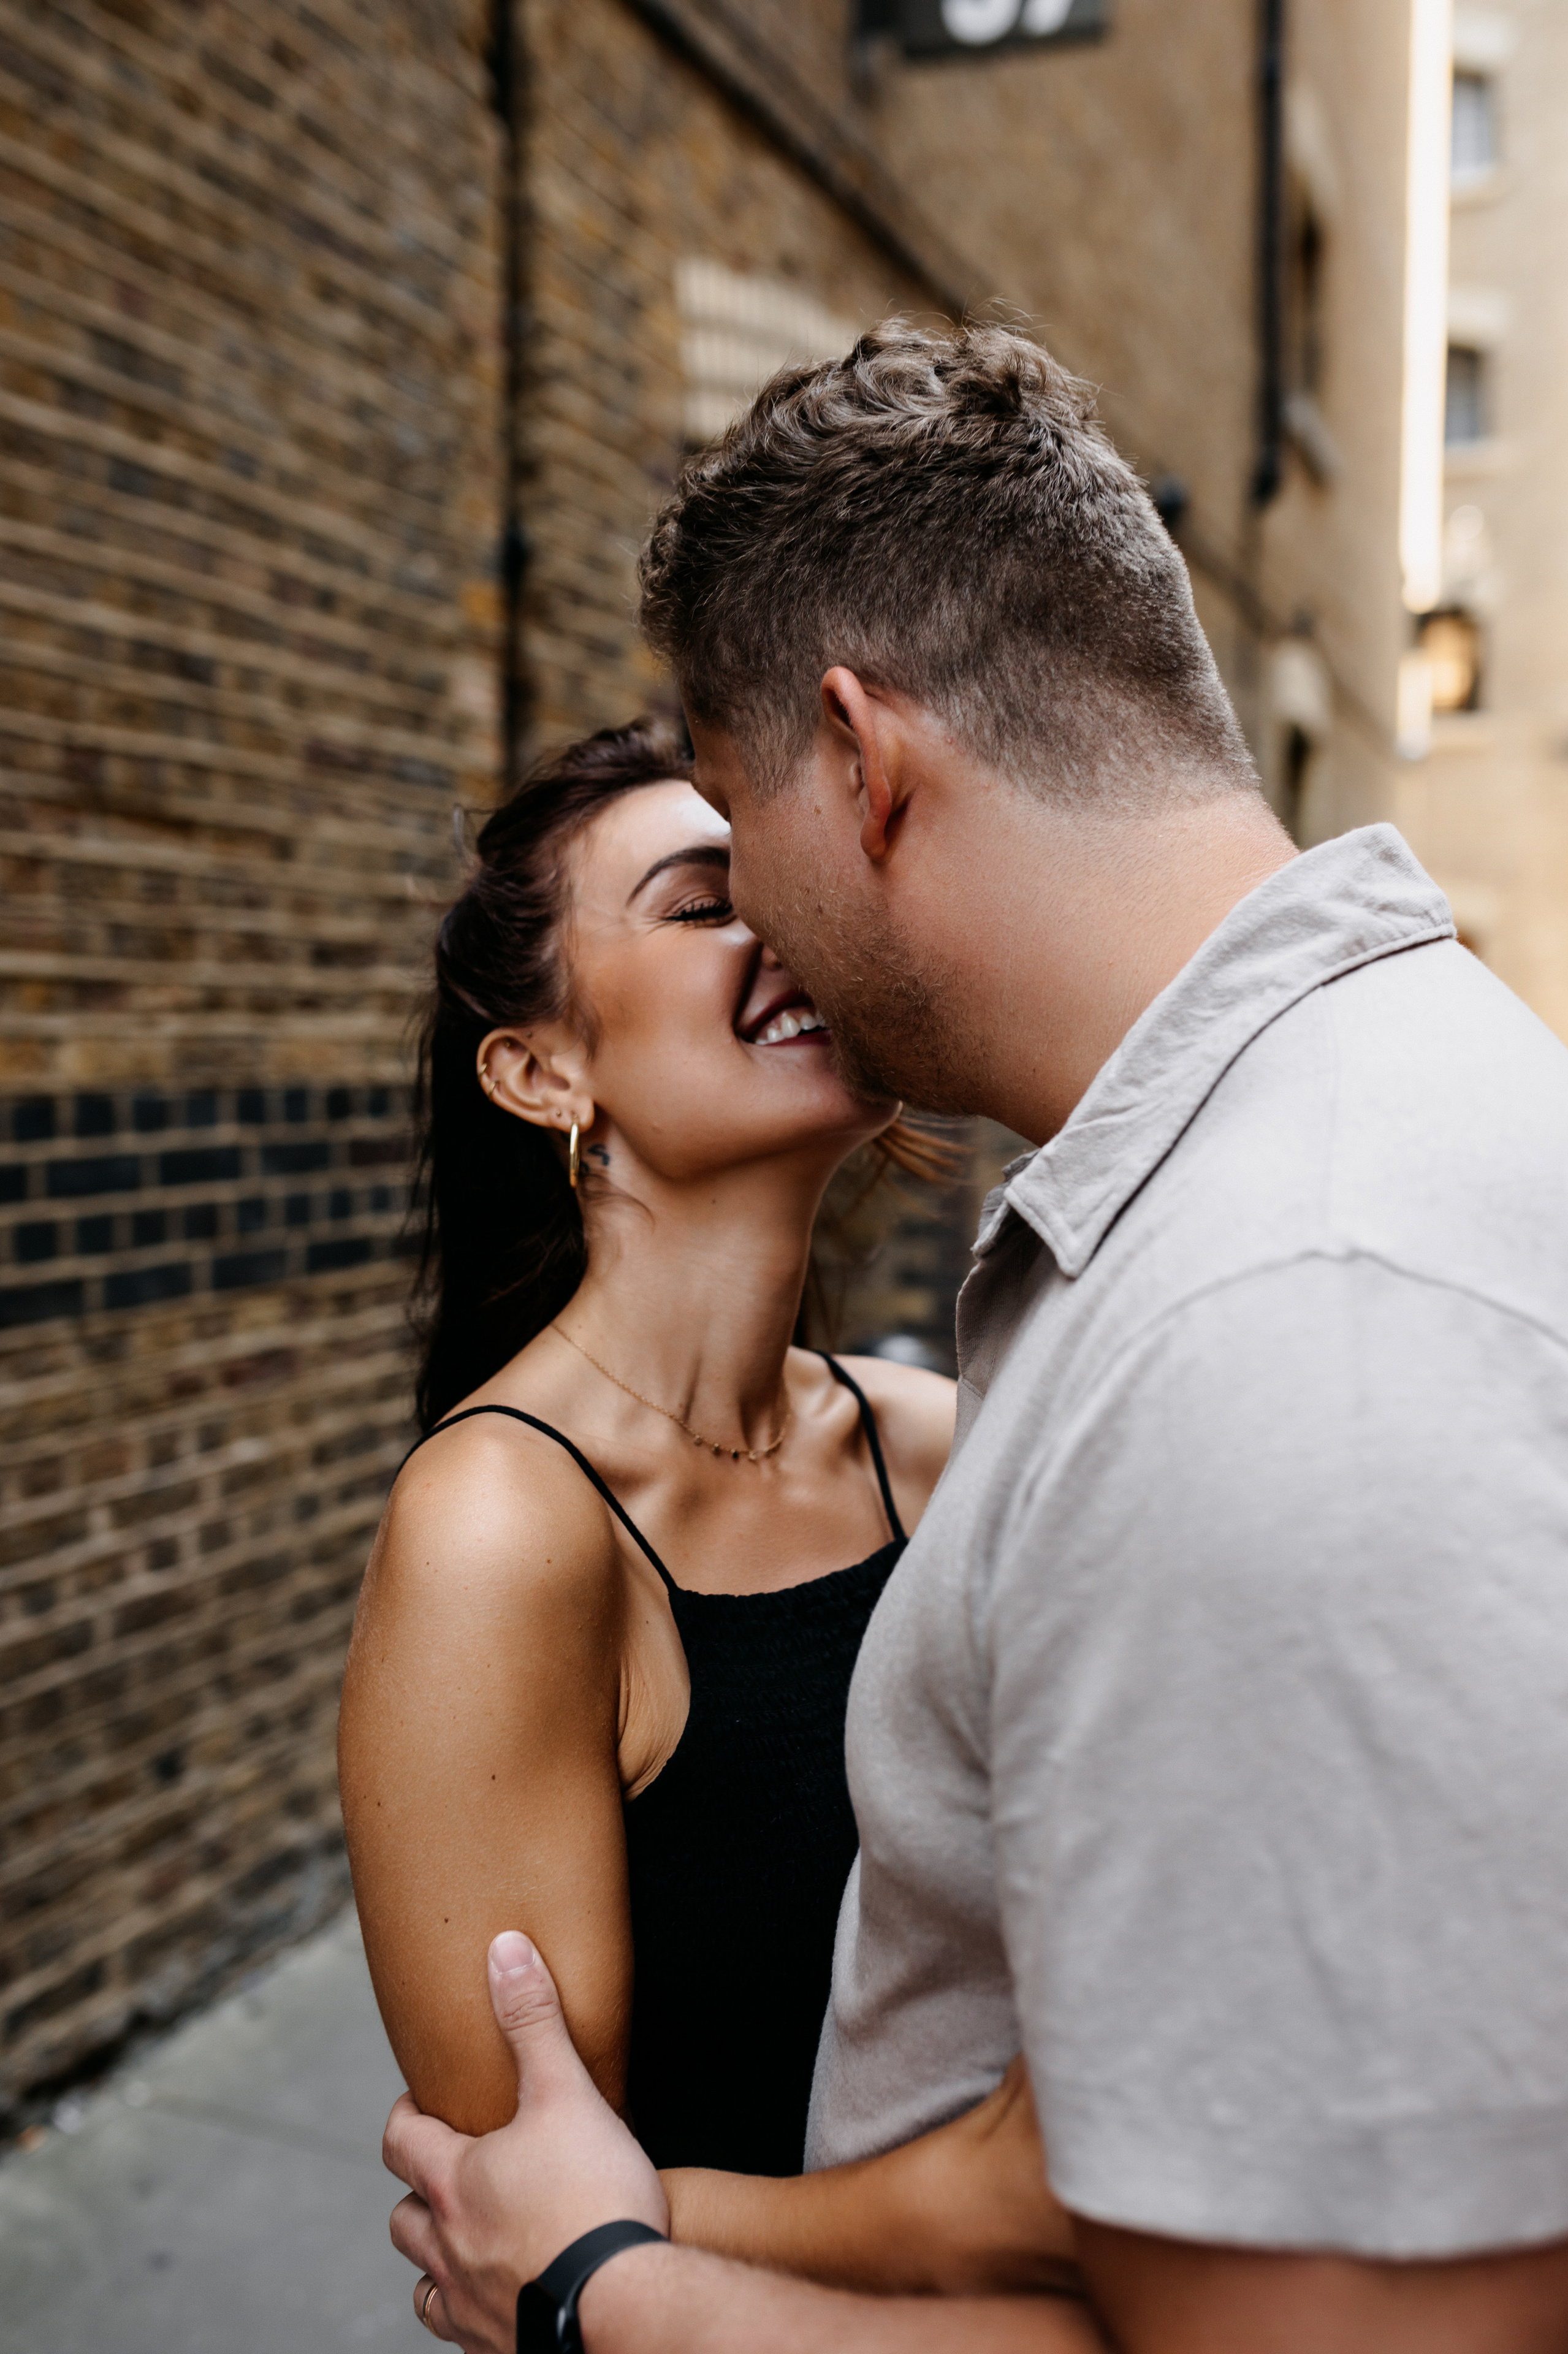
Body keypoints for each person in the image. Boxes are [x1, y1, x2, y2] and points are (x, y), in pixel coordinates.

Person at [384, 324, 1568, 2351]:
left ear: (864, 763)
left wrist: (613, 2279)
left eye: (741, 820)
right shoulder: (1224, 1256)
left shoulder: (1279, 1326)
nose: (762, 909)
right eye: (692, 894)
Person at [338, 720, 1071, 2284]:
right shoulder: (502, 1527)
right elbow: (526, 2230)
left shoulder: (945, 1443)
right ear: (542, 1073)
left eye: (782, 889)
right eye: (698, 901)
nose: (784, 928)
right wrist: (1001, 2203)